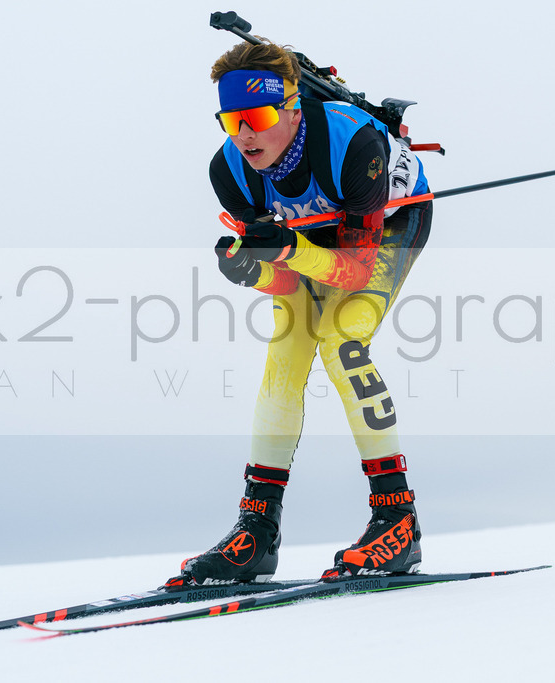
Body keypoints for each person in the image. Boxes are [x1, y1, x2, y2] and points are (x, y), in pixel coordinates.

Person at [168, 39, 433, 588]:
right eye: (232, 121)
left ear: (291, 109)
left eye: (259, 118)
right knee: (284, 354)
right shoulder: (229, 172)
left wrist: (287, 248)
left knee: (341, 340)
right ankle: (257, 530)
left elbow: (354, 272)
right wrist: (254, 271)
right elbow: (290, 280)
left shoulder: (353, 145)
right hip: (311, 238)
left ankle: (398, 520)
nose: (245, 135)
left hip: (388, 222)